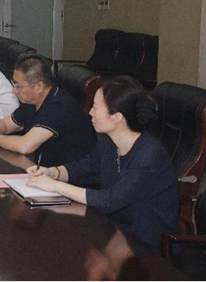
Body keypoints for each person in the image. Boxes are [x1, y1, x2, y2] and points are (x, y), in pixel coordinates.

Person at [26, 76, 178, 252]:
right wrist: (53, 172)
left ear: (117, 117)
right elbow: (84, 169)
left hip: (144, 244)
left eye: (96, 107)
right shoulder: (109, 143)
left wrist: (54, 186)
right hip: (112, 230)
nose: (90, 112)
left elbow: (109, 201)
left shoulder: (148, 155)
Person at [0, 55, 96, 167]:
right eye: (14, 84)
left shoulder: (59, 106)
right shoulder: (32, 101)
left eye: (19, 86)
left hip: (73, 179)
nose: (14, 91)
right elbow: (6, 124)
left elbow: (25, 146)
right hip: (46, 171)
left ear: (38, 86)